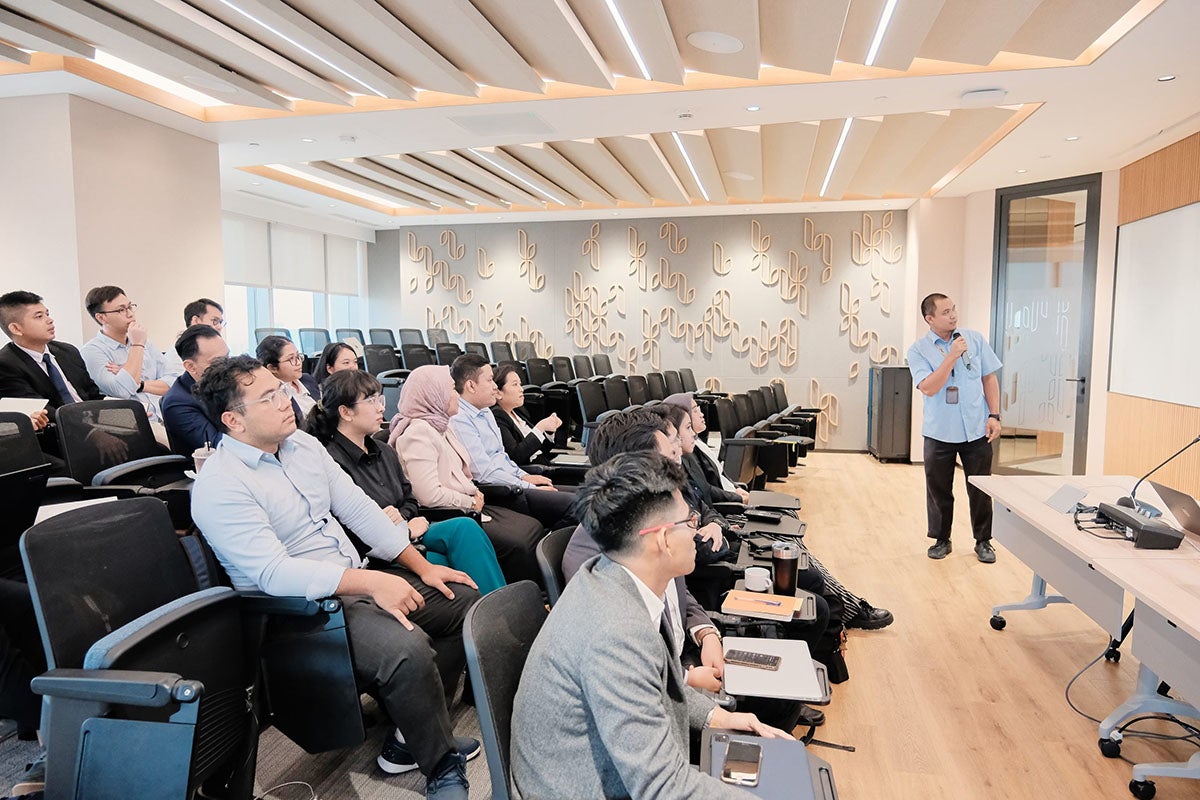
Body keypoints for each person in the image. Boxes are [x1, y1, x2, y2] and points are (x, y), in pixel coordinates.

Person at [190, 355, 479, 798]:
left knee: (461, 601)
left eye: (280, 389)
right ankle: (439, 763)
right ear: (233, 419)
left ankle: (410, 733)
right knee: (406, 648)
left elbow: (360, 510)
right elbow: (272, 573)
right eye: (268, 397)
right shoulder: (221, 485)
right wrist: (371, 583)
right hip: (296, 612)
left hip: (352, 581)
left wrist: (421, 567)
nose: (286, 400)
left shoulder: (303, 447)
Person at [511, 451, 792, 800]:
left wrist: (718, 718)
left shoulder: (610, 573)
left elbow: (654, 683)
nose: (696, 530)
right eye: (690, 521)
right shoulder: (615, 633)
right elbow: (661, 787)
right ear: (660, 539)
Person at [561, 408, 827, 729]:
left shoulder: (651, 515)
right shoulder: (601, 557)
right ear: (635, 467)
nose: (678, 461)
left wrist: (707, 633)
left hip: (682, 653)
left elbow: (679, 595)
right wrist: (686, 678)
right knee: (770, 710)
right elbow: (625, 675)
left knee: (784, 687)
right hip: (661, 690)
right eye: (669, 456)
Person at [661, 394, 894, 632]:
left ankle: (841, 607)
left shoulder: (695, 448)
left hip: (725, 517)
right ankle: (848, 608)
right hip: (729, 523)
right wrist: (732, 508)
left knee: (792, 541)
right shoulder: (679, 464)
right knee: (789, 547)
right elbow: (707, 498)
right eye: (692, 414)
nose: (700, 414)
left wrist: (733, 498)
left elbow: (708, 495)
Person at [306, 370, 506, 595]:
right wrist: (404, 531)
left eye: (380, 399)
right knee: (445, 561)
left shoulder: (382, 451)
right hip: (380, 551)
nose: (382, 407)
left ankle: (499, 606)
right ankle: (489, 613)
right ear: (346, 412)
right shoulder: (331, 461)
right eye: (372, 401)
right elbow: (349, 527)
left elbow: (409, 499)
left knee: (465, 527)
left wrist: (402, 518)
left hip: (413, 530)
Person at [389, 365, 546, 585]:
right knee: (518, 541)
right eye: (451, 390)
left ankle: (534, 597)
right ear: (435, 395)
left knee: (531, 527)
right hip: (449, 512)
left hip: (470, 504)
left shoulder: (441, 425)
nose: (456, 395)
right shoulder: (418, 433)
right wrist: (469, 500)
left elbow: (465, 473)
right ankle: (514, 604)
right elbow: (429, 495)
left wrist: (474, 494)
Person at [907, 293, 1003, 563]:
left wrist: (994, 415)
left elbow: (989, 378)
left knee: (981, 488)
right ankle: (941, 539)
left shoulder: (974, 339)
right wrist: (951, 357)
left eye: (954, 309)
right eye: (946, 311)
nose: (953, 315)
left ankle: (983, 541)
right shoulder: (918, 350)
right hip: (940, 432)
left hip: (976, 428)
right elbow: (928, 387)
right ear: (930, 318)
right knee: (938, 489)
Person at [446, 353, 575, 530]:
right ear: (471, 385)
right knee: (577, 505)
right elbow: (484, 473)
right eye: (490, 380)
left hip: (514, 481)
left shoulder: (485, 412)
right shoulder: (460, 419)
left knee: (587, 495)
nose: (494, 387)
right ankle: (552, 550)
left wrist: (523, 475)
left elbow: (502, 457)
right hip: (501, 491)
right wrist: (528, 485)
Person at [0, 291, 102, 461]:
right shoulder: (6, 365)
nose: (49, 320)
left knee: (152, 445)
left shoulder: (67, 351)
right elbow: (45, 411)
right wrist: (94, 433)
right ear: (16, 328)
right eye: (39, 316)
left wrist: (120, 415)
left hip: (98, 424)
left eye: (47, 314)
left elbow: (93, 394)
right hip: (62, 438)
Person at [81, 285, 179, 423]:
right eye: (121, 310)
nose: (130, 314)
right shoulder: (92, 351)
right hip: (133, 425)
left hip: (166, 418)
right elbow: (121, 390)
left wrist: (141, 384)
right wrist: (137, 345)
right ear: (101, 318)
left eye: (130, 307)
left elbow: (174, 382)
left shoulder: (146, 342)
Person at [161, 324, 228, 457]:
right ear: (190, 366)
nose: (227, 366)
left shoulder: (224, 382)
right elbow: (216, 448)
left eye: (228, 357)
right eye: (218, 362)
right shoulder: (177, 403)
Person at [490, 362, 561, 466]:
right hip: (531, 472)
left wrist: (549, 431)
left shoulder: (518, 411)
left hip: (543, 463)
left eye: (520, 384)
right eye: (515, 385)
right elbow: (516, 456)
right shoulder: (498, 415)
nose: (521, 389)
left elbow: (539, 449)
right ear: (498, 393)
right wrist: (540, 428)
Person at [256, 335, 319, 427]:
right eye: (291, 359)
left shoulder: (307, 380)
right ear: (272, 368)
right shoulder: (273, 395)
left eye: (298, 356)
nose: (298, 363)